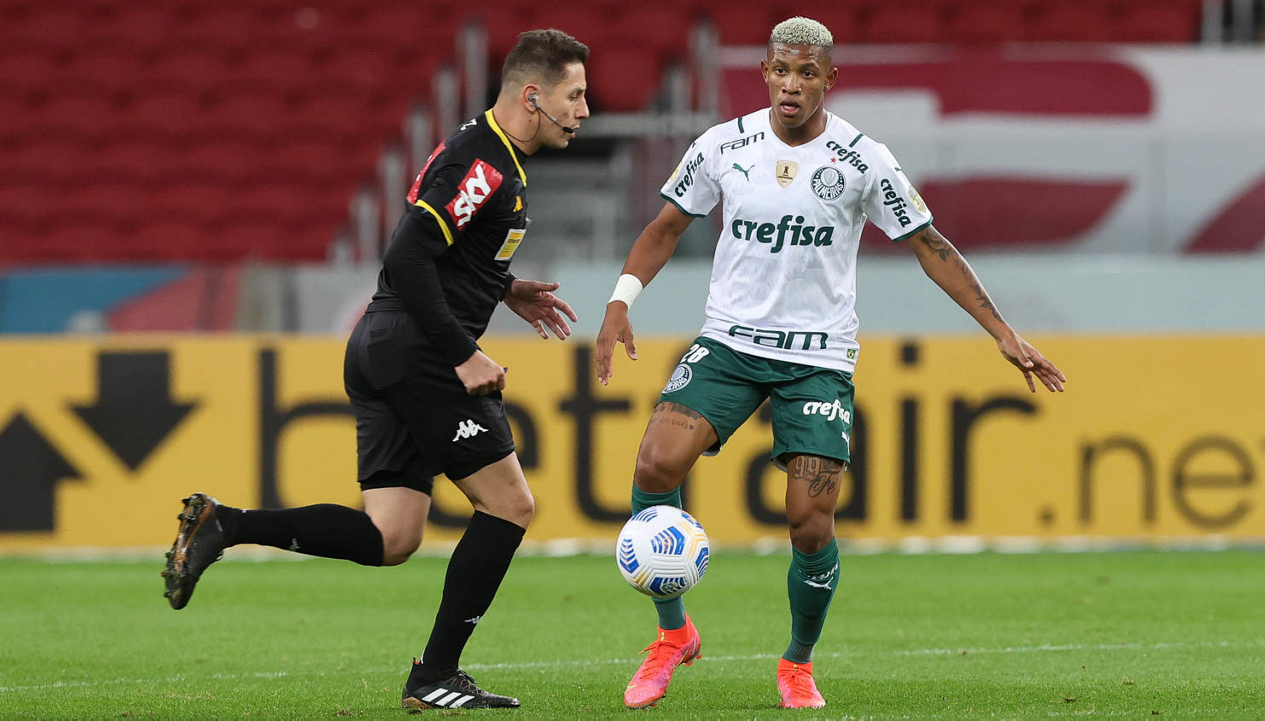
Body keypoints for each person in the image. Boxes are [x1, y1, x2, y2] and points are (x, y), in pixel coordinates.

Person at [595, 16, 1067, 710]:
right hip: (729, 343)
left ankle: (797, 662)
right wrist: (620, 301)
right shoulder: (722, 146)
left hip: (816, 357)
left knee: (809, 520)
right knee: (654, 465)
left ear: (828, 80)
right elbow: (665, 227)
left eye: (807, 73)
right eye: (782, 70)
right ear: (765, 71)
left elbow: (930, 244)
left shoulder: (863, 159)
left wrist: (1000, 330)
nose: (792, 84)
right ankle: (673, 635)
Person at [162, 28, 590, 711]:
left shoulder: (486, 151)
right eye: (575, 96)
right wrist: (462, 351)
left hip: (384, 345)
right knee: (510, 504)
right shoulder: (485, 163)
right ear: (533, 96)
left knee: (392, 535)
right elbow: (407, 255)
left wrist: (503, 287)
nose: (584, 111)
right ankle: (435, 674)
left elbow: (442, 252)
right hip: (419, 350)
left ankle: (226, 524)